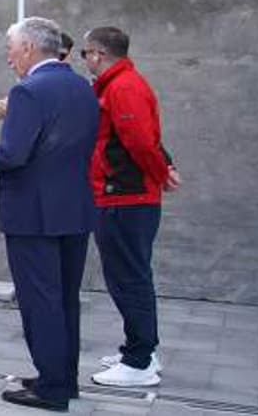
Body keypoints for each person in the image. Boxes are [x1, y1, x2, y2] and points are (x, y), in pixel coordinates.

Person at [0, 17, 100, 412]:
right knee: (66, 299)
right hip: (75, 209)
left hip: (33, 214)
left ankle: (51, 387)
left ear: (29, 48)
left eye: (11, 49)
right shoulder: (83, 88)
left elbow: (12, 154)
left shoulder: (28, 92)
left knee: (40, 301)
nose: (9, 58)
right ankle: (63, 378)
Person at [81, 26, 180, 388]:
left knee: (129, 278)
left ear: (99, 54)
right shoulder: (119, 85)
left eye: (86, 53)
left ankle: (139, 362)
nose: (85, 60)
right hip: (124, 196)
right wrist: (165, 168)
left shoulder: (122, 88)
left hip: (125, 197)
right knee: (129, 276)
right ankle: (141, 351)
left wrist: (161, 174)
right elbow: (148, 139)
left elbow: (140, 142)